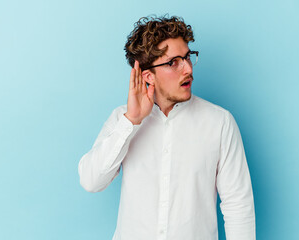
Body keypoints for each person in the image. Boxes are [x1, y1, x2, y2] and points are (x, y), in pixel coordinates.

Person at [78, 15, 255, 240]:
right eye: (174, 62)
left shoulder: (220, 123)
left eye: (188, 57)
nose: (188, 69)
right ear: (148, 76)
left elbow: (238, 205)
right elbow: (91, 181)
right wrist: (131, 121)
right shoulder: (121, 119)